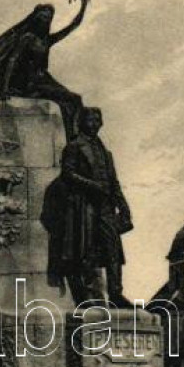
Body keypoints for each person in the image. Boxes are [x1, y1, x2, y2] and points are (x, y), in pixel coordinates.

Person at [41, 106, 133, 305]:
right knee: (85, 250)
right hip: (84, 207)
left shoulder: (105, 152)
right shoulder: (74, 146)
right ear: (82, 122)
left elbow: (113, 182)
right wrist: (92, 186)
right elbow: (68, 174)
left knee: (112, 250)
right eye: (90, 120)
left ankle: (116, 293)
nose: (94, 124)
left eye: (97, 120)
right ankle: (86, 294)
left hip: (106, 207)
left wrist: (124, 206)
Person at [0, 0, 89, 140]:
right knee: (71, 100)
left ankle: (75, 137)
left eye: (48, 18)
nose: (46, 20)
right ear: (35, 18)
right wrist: (5, 88)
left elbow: (73, 26)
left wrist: (83, 5)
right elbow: (13, 60)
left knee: (74, 100)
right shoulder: (27, 37)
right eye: (42, 17)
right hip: (30, 83)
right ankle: (73, 139)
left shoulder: (46, 40)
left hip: (43, 79)